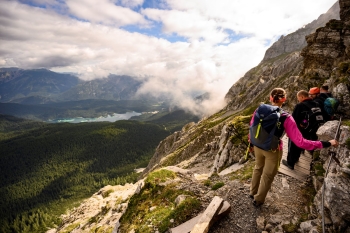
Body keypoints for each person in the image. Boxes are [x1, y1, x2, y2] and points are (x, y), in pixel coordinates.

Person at [249, 88, 338, 207]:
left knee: (258, 167)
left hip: (257, 146)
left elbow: (252, 126)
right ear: (284, 99)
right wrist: (327, 143)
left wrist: (251, 143)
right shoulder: (286, 117)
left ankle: (252, 192)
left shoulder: (260, 108)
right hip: (273, 150)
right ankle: (258, 200)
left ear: (270, 97)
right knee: (267, 175)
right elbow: (301, 142)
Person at [282, 90, 322, 169]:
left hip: (298, 129)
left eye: (298, 98)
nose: (298, 100)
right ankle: (296, 158)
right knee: (301, 144)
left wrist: (289, 131)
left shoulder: (300, 106)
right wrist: (305, 123)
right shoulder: (316, 104)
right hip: (311, 130)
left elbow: (293, 120)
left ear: (302, 97)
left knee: (293, 145)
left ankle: (290, 163)